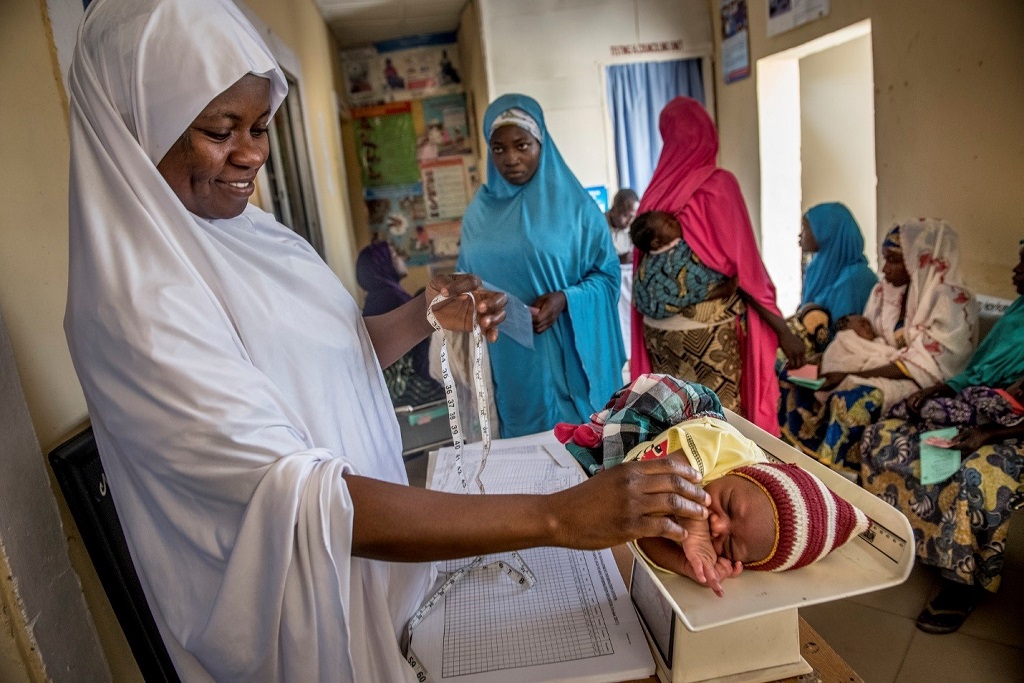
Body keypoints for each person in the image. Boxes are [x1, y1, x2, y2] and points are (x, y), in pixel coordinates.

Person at [65, 2, 713, 680]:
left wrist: (423, 314)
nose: (253, 154)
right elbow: (303, 502)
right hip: (313, 620)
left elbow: (325, 357)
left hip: (389, 575)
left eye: (260, 125)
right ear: (137, 122)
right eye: (221, 130)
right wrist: (556, 518)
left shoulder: (250, 234)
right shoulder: (138, 306)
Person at [555, 374, 870, 596]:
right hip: (669, 414)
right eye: (731, 505)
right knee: (615, 475)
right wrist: (692, 523)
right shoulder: (729, 447)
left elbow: (641, 533)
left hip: (646, 469)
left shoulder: (711, 535)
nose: (718, 525)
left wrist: (685, 562)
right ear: (746, 473)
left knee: (615, 505)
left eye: (730, 544)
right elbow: (645, 475)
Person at [860, 240, 1024, 634]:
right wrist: (941, 389)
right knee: (885, 435)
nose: (1015, 271)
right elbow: (978, 372)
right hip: (985, 408)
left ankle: (960, 583)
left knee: (976, 478)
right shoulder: (1017, 313)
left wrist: (989, 434)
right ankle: (900, 535)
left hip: (1015, 432)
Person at [630, 97, 805, 435]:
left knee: (675, 421)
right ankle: (722, 487)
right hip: (708, 337)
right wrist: (782, 330)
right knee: (720, 424)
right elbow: (747, 272)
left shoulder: (655, 193)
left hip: (658, 334)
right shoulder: (718, 185)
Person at [457, 94, 625, 438]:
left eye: (522, 145)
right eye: (499, 149)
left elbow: (607, 276)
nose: (511, 159)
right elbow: (465, 279)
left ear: (541, 144)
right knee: (524, 451)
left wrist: (566, 299)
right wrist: (477, 301)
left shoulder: (576, 209)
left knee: (579, 449)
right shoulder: (479, 213)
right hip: (509, 358)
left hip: (569, 353)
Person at [780, 219, 978, 472]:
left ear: (921, 260)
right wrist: (830, 361)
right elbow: (868, 341)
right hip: (875, 364)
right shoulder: (883, 292)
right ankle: (796, 456)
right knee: (793, 375)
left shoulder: (953, 303)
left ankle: (836, 475)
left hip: (920, 380)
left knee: (851, 400)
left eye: (894, 260)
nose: (884, 269)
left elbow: (930, 366)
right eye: (885, 259)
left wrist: (849, 374)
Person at [788, 203, 878, 357]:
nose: (800, 235)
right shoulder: (818, 269)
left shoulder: (856, 279)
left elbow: (843, 339)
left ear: (826, 231)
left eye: (806, 227)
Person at [355, 239, 432, 398]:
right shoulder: (389, 299)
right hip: (409, 385)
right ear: (382, 264)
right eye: (395, 255)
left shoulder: (378, 298)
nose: (402, 258)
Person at [607, 188, 640, 355]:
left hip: (628, 283)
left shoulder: (631, 229)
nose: (629, 221)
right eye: (626, 215)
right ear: (614, 209)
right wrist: (617, 259)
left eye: (633, 216)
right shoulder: (599, 227)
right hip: (610, 287)